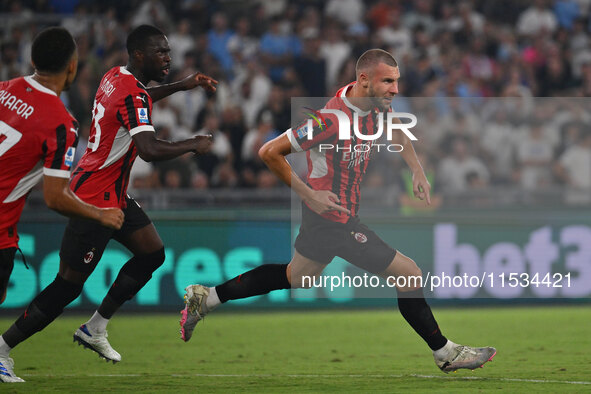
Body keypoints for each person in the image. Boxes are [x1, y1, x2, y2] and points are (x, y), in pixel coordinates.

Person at [180, 49, 496, 374]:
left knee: (297, 276)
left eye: (396, 81)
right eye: (388, 81)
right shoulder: (328, 121)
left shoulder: (374, 104)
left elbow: (397, 126)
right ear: (363, 80)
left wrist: (416, 169)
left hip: (330, 215)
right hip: (331, 216)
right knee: (409, 273)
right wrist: (310, 195)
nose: (395, 89)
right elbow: (269, 151)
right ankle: (445, 352)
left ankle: (208, 298)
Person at [0, 24, 216, 383]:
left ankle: (95, 328)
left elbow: (140, 101)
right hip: (93, 197)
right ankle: (4, 349)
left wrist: (182, 84)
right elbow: (148, 149)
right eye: (161, 52)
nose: (168, 57)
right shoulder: (128, 93)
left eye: (169, 51)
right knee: (67, 286)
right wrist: (192, 143)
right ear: (139, 55)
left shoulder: (115, 76)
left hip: (112, 192)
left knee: (152, 253)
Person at [0, 26, 125, 383]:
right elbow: (55, 197)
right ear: (72, 67)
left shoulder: (3, 90)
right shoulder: (62, 123)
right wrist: (100, 214)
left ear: (32, 60)